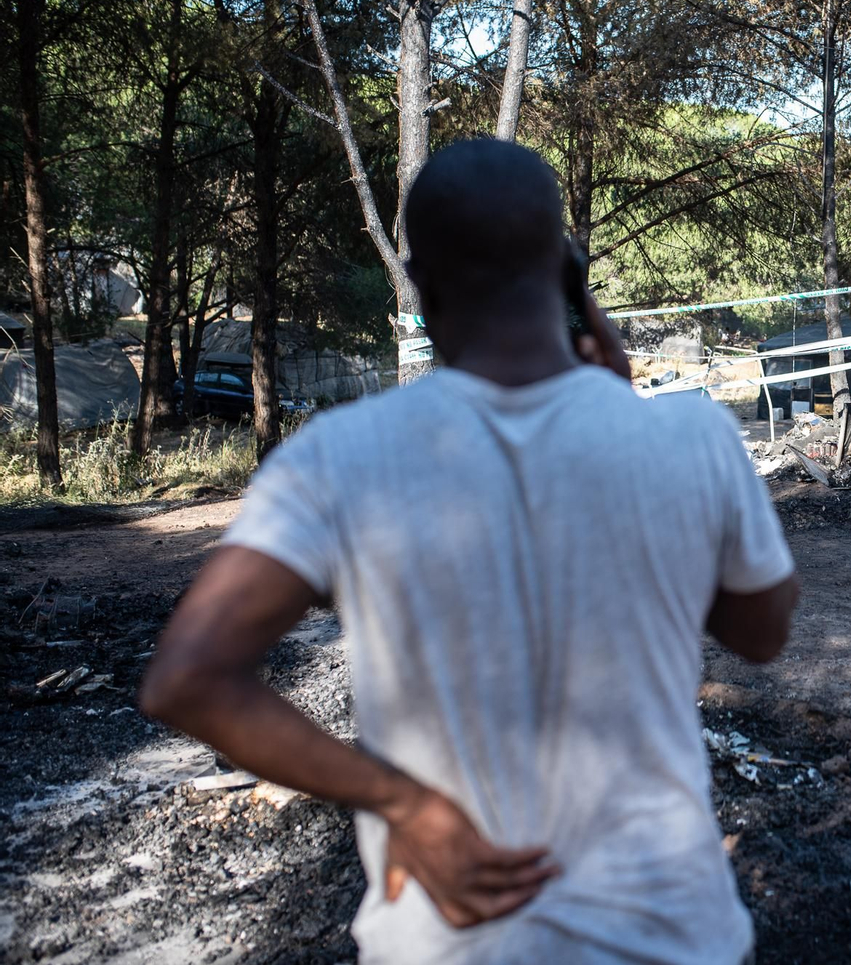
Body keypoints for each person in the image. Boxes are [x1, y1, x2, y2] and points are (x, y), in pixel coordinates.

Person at [140, 138, 800, 964]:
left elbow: (186, 679)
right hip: (670, 934)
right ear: (567, 268)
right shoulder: (691, 436)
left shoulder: (338, 457)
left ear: (420, 284)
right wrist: (623, 407)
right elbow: (761, 633)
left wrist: (401, 803)